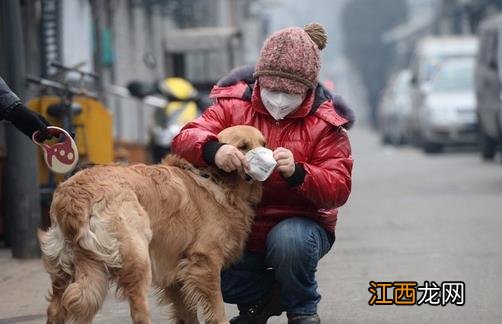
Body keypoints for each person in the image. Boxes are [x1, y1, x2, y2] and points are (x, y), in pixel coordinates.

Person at [172, 23, 354, 324]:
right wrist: (214, 150)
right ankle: (265, 300)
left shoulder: (325, 123)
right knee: (202, 270)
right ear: (259, 80)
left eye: (289, 91)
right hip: (234, 223)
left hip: (297, 227)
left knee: (290, 242)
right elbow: (185, 138)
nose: (279, 98)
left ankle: (302, 309)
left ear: (307, 88)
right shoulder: (231, 106)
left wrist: (298, 173)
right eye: (272, 88)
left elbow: (338, 188)